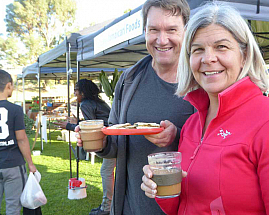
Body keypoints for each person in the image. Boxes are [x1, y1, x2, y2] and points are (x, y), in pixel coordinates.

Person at [141, 3, 269, 215]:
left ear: (244, 55)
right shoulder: (191, 125)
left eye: (221, 47)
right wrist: (163, 190)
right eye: (198, 50)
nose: (208, 58)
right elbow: (187, 206)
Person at [76, 0, 193, 214]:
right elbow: (115, 142)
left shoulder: (201, 82)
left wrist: (177, 136)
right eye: (154, 30)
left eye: (171, 30)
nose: (162, 39)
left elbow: (220, 147)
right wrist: (100, 141)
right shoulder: (130, 79)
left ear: (186, 30)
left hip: (184, 206)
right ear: (144, 31)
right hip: (131, 206)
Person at [55, 79, 114, 215]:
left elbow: (91, 127)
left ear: (83, 91)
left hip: (111, 142)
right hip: (116, 137)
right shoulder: (99, 102)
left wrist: (69, 126)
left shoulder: (86, 104)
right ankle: (109, 204)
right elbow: (94, 121)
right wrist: (79, 122)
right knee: (108, 171)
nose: (75, 92)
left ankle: (107, 207)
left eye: (76, 89)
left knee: (106, 172)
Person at [0, 69, 37, 215]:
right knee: (13, 207)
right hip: (13, 164)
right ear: (8, 86)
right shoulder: (15, 109)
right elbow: (21, 138)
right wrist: (31, 164)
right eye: (12, 86)